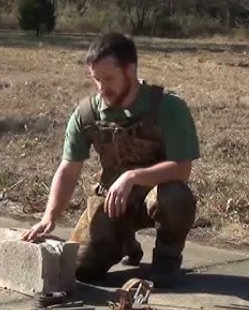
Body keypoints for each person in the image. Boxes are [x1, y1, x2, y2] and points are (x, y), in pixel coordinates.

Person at [21, 32, 200, 288]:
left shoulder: (169, 108)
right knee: (81, 269)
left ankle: (167, 259)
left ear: (131, 70)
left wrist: (132, 176)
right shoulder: (87, 114)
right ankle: (124, 240)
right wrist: (49, 217)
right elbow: (69, 169)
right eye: (96, 80)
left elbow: (182, 169)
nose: (102, 88)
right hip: (113, 202)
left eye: (109, 79)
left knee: (175, 196)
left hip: (157, 197)